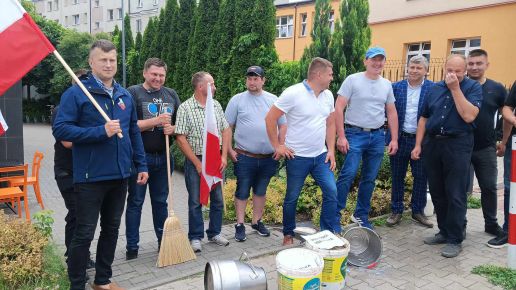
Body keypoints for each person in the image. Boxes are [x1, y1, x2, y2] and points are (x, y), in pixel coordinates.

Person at [53, 39, 148, 290]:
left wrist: (141, 165)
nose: (108, 64)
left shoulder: (124, 95)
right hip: (89, 177)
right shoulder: (77, 93)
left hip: (119, 176)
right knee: (83, 234)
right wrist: (100, 131)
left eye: (112, 60)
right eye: (103, 59)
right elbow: (60, 129)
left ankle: (102, 281)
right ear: (91, 62)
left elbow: (133, 133)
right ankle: (76, 284)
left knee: (112, 230)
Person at [411, 54, 482, 258]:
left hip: (457, 144)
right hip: (433, 144)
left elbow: (469, 115)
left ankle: (455, 238)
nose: (453, 74)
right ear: (444, 68)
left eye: (458, 71)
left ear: (465, 70)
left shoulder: (473, 88)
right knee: (437, 191)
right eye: (449, 70)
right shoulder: (434, 88)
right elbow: (424, 118)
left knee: (456, 193)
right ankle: (443, 231)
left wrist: (455, 89)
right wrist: (418, 145)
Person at [265, 57, 338, 246]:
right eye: (330, 74)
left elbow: (331, 123)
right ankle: (288, 234)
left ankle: (328, 232)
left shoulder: (328, 95)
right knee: (292, 197)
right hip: (297, 157)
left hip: (320, 155)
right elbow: (270, 118)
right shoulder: (293, 93)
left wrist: (331, 150)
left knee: (331, 191)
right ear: (318, 74)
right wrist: (277, 146)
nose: (332, 78)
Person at [335, 46, 399, 230]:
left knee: (369, 178)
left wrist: (393, 139)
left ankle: (360, 215)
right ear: (366, 61)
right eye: (374, 59)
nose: (377, 63)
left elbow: (392, 112)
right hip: (354, 134)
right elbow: (338, 107)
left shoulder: (386, 84)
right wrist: (341, 136)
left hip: (378, 136)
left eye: (381, 60)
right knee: (348, 174)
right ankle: (335, 215)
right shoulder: (353, 80)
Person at [125, 58, 181, 260]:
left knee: (160, 203)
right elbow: (129, 126)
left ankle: (162, 243)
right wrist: (156, 121)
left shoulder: (171, 94)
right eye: (154, 74)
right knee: (135, 203)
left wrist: (173, 129)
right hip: (140, 160)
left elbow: (179, 124)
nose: (158, 78)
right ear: (145, 73)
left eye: (161, 75)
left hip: (164, 158)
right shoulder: (133, 93)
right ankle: (132, 248)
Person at [226, 66, 287, 242]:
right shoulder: (237, 100)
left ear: (263, 80)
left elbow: (283, 124)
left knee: (261, 191)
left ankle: (256, 222)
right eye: (249, 78)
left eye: (256, 78)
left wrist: (280, 146)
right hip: (244, 156)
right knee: (243, 190)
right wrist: (229, 149)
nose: (252, 82)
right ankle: (239, 224)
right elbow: (227, 127)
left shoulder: (273, 100)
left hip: (269, 157)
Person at [175, 71, 231, 253]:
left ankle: (214, 233)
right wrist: (197, 164)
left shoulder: (215, 105)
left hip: (215, 159)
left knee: (217, 200)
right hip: (196, 160)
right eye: (212, 84)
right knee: (195, 201)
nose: (215, 87)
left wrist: (223, 157)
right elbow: (181, 138)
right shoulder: (185, 108)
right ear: (201, 87)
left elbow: (226, 130)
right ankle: (195, 237)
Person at [51, 69, 96, 272]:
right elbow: (68, 142)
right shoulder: (61, 109)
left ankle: (80, 255)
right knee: (77, 214)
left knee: (82, 216)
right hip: (67, 172)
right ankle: (74, 260)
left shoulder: (91, 108)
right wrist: (98, 134)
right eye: (82, 83)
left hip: (86, 171)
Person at [386, 56, 434, 228]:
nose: (414, 70)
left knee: (421, 177)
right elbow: (388, 112)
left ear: (426, 71)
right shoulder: (395, 87)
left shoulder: (433, 89)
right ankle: (396, 210)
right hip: (400, 139)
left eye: (418, 68)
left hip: (421, 142)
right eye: (412, 67)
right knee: (397, 176)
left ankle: (417, 211)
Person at [466, 49, 507, 240]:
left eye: (478, 63)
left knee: (489, 187)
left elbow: (506, 114)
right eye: (471, 63)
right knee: (458, 189)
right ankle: (458, 226)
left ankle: (491, 224)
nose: (474, 67)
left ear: (487, 65)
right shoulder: (459, 86)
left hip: (486, 147)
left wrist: (504, 141)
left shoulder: (497, 88)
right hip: (461, 147)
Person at [497, 81, 516, 248]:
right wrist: (504, 141)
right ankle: (508, 231)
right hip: (515, 144)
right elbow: (507, 109)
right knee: (510, 187)